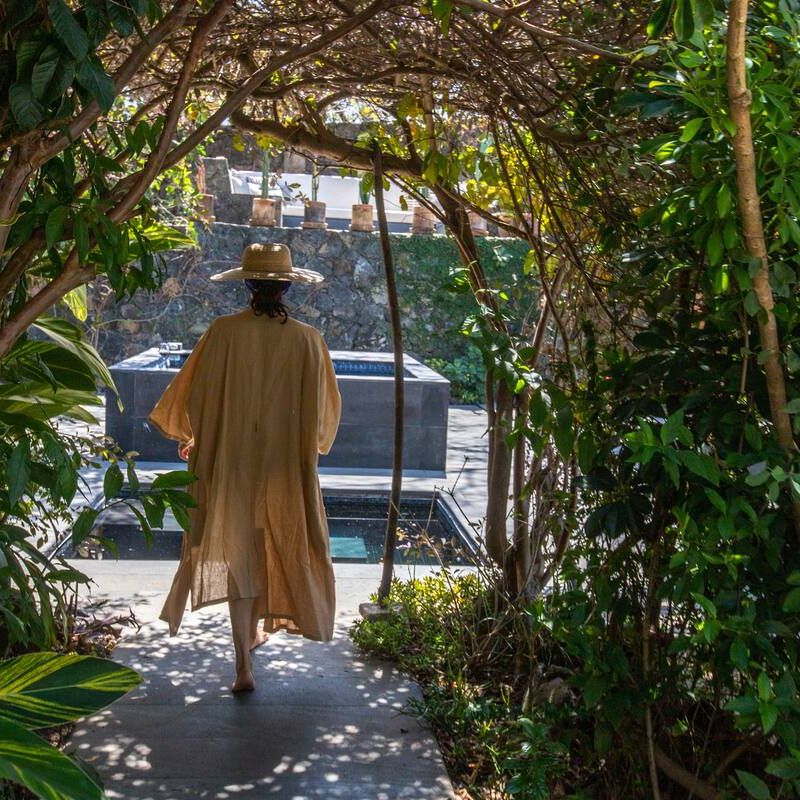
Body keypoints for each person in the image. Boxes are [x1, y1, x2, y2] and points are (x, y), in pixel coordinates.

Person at [148, 242, 341, 693]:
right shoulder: (308, 341)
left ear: (248, 285)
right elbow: (324, 416)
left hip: (231, 464)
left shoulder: (223, 332)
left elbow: (193, 393)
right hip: (283, 470)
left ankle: (242, 665)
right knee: (271, 545)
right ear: (288, 286)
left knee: (241, 557)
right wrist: (307, 447)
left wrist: (196, 438)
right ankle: (253, 640)